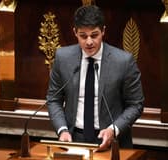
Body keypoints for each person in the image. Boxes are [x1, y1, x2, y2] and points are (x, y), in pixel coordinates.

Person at [46, 5, 144, 151]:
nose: (89, 42)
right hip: (73, 139)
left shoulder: (123, 61)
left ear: (103, 31)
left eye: (94, 35)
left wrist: (113, 129)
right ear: (75, 32)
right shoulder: (63, 58)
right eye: (83, 36)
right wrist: (62, 130)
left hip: (111, 141)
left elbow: (136, 104)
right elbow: (54, 99)